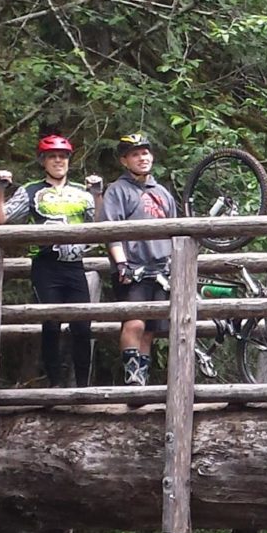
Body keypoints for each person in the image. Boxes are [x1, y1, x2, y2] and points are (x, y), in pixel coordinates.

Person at [0, 133, 98, 387]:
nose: (58, 161)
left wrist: (98, 193)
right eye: (52, 157)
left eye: (63, 157)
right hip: (45, 266)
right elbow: (1, 220)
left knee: (82, 326)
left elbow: (101, 225)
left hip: (75, 266)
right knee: (51, 323)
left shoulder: (82, 193)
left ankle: (83, 385)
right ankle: (55, 384)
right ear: (43, 161)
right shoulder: (31, 191)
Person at [97, 131, 178, 387]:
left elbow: (175, 230)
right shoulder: (117, 190)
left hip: (161, 267)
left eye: (145, 152)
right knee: (134, 323)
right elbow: (110, 229)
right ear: (124, 160)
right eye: (135, 154)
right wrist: (121, 263)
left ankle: (142, 379)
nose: (142, 158)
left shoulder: (162, 192)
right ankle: (132, 376)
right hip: (133, 267)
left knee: (151, 329)